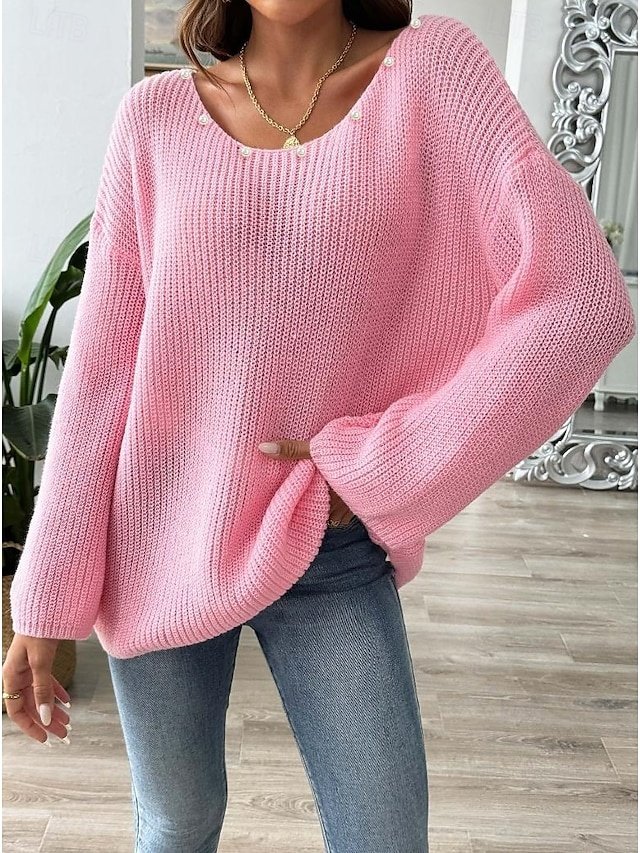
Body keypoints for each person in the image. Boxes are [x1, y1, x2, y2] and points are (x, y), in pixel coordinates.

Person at [3, 1, 635, 851]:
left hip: (326, 540)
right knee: (176, 824)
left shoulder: (433, 73)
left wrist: (385, 464)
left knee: (384, 835)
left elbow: (581, 302)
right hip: (157, 532)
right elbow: (101, 373)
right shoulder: (152, 121)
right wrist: (44, 597)